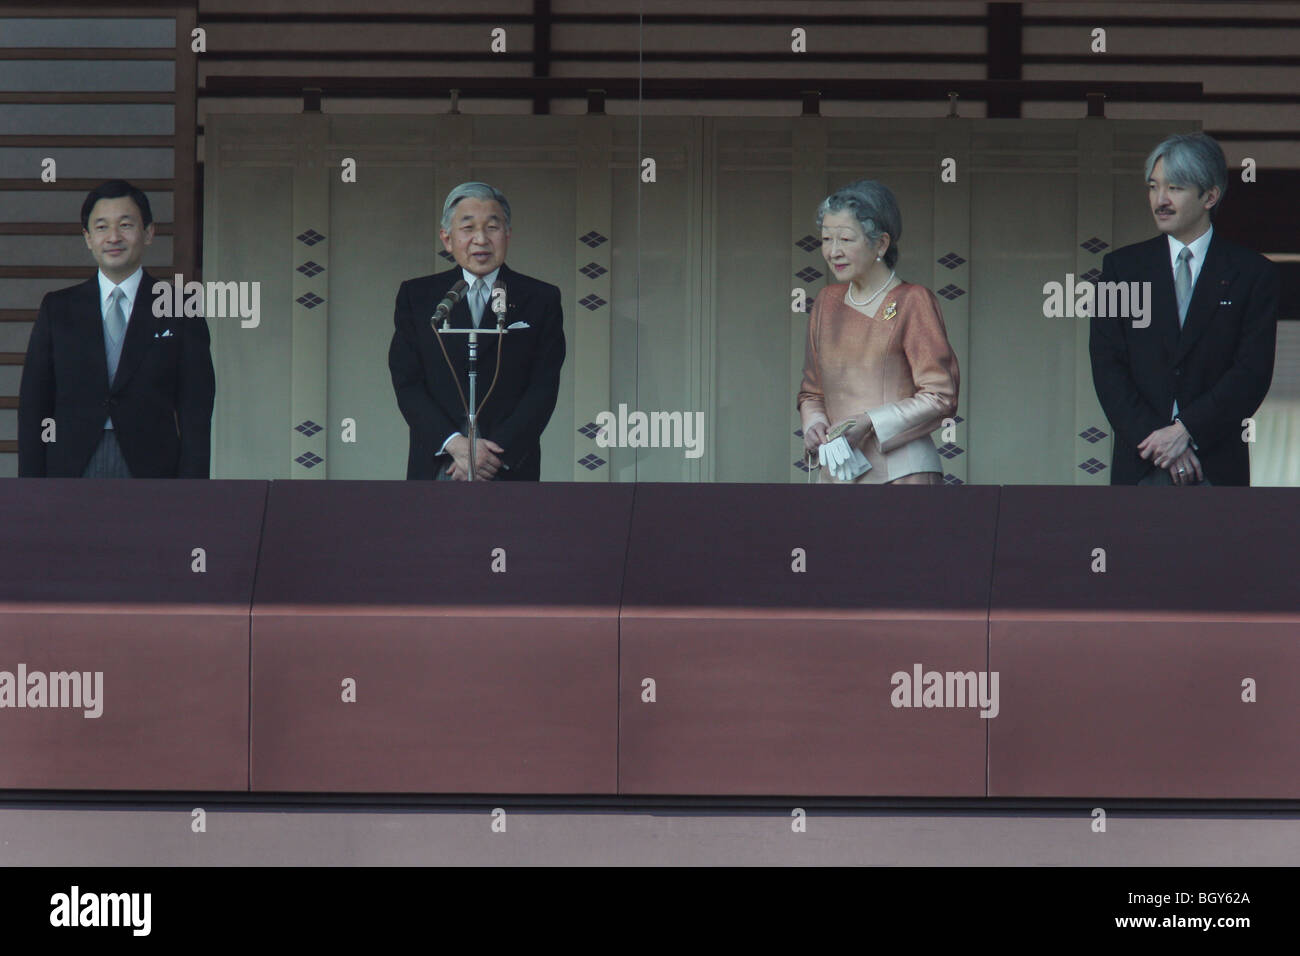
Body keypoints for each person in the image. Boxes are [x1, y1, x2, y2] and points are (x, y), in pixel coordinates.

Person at [1089, 132, 1278, 487]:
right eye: (1152, 187)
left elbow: (1251, 373)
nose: (1160, 200)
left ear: (1210, 195)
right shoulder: (1121, 268)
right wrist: (1160, 441)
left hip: (1217, 465)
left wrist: (1187, 431)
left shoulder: (1253, 273)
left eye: (1174, 188)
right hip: (1141, 460)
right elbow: (1107, 365)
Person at [18, 180, 215, 478]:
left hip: (153, 467)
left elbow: (196, 409)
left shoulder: (180, 306)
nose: (113, 237)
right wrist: (30, 488)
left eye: (125, 225)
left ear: (148, 232)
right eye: (101, 227)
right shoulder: (58, 309)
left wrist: (192, 488)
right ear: (87, 238)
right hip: (70, 466)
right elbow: (34, 405)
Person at [388, 182, 565, 481]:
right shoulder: (418, 297)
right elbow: (407, 383)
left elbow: (543, 388)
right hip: (439, 464)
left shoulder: (540, 299)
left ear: (507, 235)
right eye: (468, 228)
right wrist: (453, 445)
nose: (480, 239)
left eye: (492, 228)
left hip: (509, 467)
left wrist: (493, 455)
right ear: (447, 238)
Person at [797, 180, 960, 485]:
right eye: (826, 239)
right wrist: (815, 426)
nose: (833, 252)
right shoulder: (826, 302)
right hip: (839, 472)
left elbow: (941, 396)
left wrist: (869, 422)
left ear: (881, 244)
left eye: (845, 239)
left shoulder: (913, 301)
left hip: (902, 473)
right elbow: (811, 392)